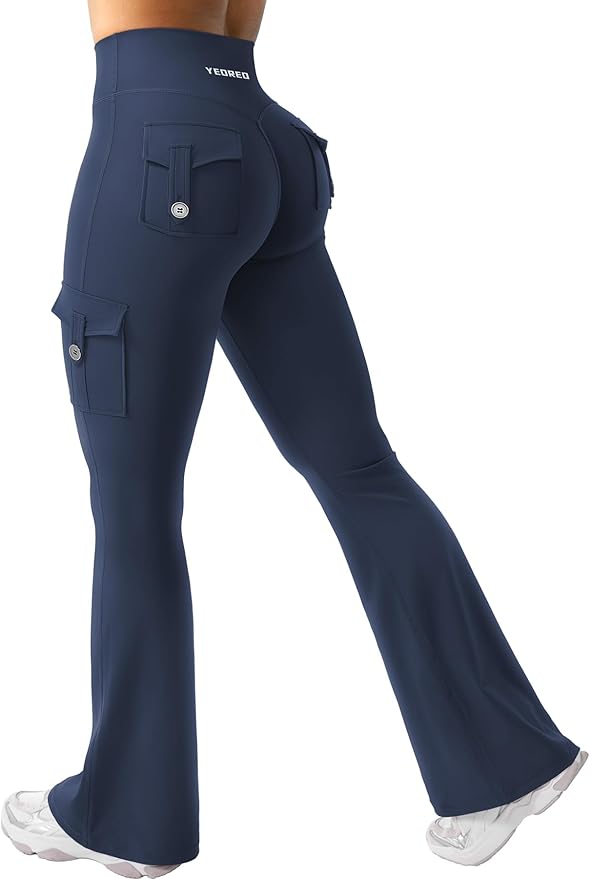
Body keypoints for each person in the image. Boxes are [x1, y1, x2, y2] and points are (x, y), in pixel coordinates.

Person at [1, 1, 585, 875]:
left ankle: (128, 820)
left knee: (134, 504)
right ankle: (506, 760)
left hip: (160, 148)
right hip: (263, 143)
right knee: (359, 465)